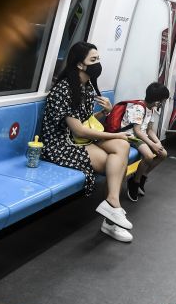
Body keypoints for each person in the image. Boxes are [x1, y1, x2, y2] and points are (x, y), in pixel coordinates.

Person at [41, 41, 133, 243]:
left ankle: (112, 204)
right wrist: (116, 134)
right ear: (80, 65)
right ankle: (112, 217)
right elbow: (77, 129)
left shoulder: (87, 86)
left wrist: (105, 112)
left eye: (98, 59)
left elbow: (87, 122)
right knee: (114, 160)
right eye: (93, 60)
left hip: (80, 138)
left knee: (123, 146)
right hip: (62, 143)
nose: (97, 64)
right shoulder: (63, 89)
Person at [124, 83, 170, 201]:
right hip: (130, 136)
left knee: (163, 154)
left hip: (141, 136)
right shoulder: (139, 108)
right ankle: (135, 182)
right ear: (157, 101)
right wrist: (152, 145)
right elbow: (137, 131)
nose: (162, 103)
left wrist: (157, 142)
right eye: (162, 101)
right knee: (149, 156)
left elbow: (149, 130)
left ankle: (142, 176)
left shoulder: (151, 109)